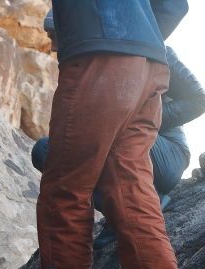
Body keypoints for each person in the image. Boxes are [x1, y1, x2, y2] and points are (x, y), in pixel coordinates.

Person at [33, 0, 192, 269]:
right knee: (130, 184)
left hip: (99, 58)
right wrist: (138, 42)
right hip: (149, 65)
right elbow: (175, 5)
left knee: (65, 192)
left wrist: (109, 43)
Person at [32, 45, 205, 249]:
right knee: (45, 150)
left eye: (55, 35)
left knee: (112, 126)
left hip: (166, 153)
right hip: (116, 141)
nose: (52, 45)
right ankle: (118, 212)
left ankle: (138, 207)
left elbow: (198, 100)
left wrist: (138, 119)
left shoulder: (156, 50)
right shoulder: (87, 62)